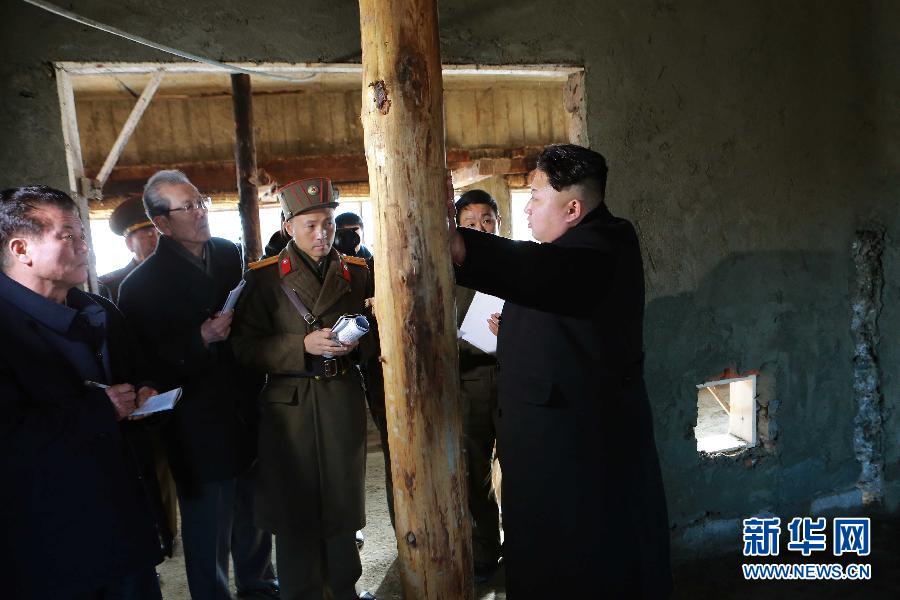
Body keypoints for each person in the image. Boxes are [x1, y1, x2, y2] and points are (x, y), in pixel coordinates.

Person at [449, 144, 672, 598]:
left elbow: (539, 272)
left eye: (535, 196)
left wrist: (459, 246)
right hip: (551, 447)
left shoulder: (605, 245)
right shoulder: (570, 248)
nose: (527, 208)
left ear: (572, 209)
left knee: (583, 565)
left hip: (579, 452)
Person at [118, 170, 278, 600]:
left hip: (245, 405)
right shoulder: (139, 287)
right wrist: (199, 339)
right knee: (209, 525)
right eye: (187, 207)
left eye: (200, 201)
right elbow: (143, 366)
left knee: (254, 512)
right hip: (196, 423)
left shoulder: (228, 253)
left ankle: (259, 586)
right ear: (162, 223)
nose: (200, 212)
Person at [0, 185, 163, 599]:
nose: (83, 247)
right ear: (21, 249)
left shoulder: (99, 309)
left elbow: (136, 370)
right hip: (48, 544)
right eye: (67, 236)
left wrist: (144, 392)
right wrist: (100, 410)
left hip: (125, 522)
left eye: (82, 235)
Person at [231, 178, 376, 600]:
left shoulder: (356, 273)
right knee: (294, 510)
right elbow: (243, 347)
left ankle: (344, 590)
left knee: (342, 504)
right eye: (310, 225)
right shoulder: (264, 279)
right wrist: (301, 346)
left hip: (340, 397)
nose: (321, 234)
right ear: (288, 226)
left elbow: (376, 336)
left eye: (328, 223)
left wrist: (356, 343)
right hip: (289, 408)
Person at [454, 189, 503, 583]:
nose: (480, 228)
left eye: (486, 220)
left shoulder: (517, 264)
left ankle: (525, 546)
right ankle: (485, 550)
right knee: (475, 469)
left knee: (522, 465)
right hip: (470, 379)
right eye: (470, 223)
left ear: (498, 222)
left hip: (515, 376)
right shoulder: (450, 272)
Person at [99, 196, 159, 303]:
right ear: (130, 243)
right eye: (149, 234)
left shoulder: (183, 276)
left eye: (160, 234)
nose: (157, 241)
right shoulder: (109, 287)